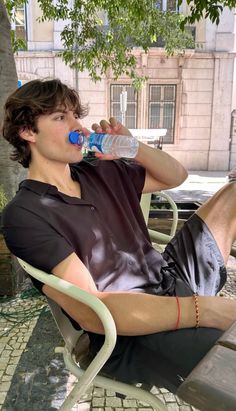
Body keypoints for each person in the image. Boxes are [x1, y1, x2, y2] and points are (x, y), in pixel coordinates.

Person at [1, 78, 236, 395]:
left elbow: (176, 175)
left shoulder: (99, 168)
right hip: (131, 328)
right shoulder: (26, 214)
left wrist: (134, 147)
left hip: (169, 279)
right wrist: (205, 310)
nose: (79, 127)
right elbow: (93, 314)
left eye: (75, 115)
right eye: (60, 117)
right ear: (28, 132)